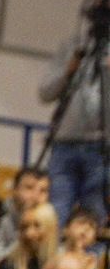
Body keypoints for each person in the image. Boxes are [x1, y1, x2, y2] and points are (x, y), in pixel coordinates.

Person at [39, 30, 110, 224]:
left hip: (102, 148)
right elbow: (45, 93)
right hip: (64, 143)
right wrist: (67, 72)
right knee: (55, 213)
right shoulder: (74, 45)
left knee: (93, 214)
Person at [0, 168, 50, 269]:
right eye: (29, 188)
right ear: (14, 190)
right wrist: (26, 239)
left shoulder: (50, 222)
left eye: (43, 191)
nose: (36, 196)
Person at [0, 202, 57, 269]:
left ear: (50, 229)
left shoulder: (60, 266)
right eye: (24, 227)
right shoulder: (9, 266)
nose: (29, 234)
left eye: (37, 226)